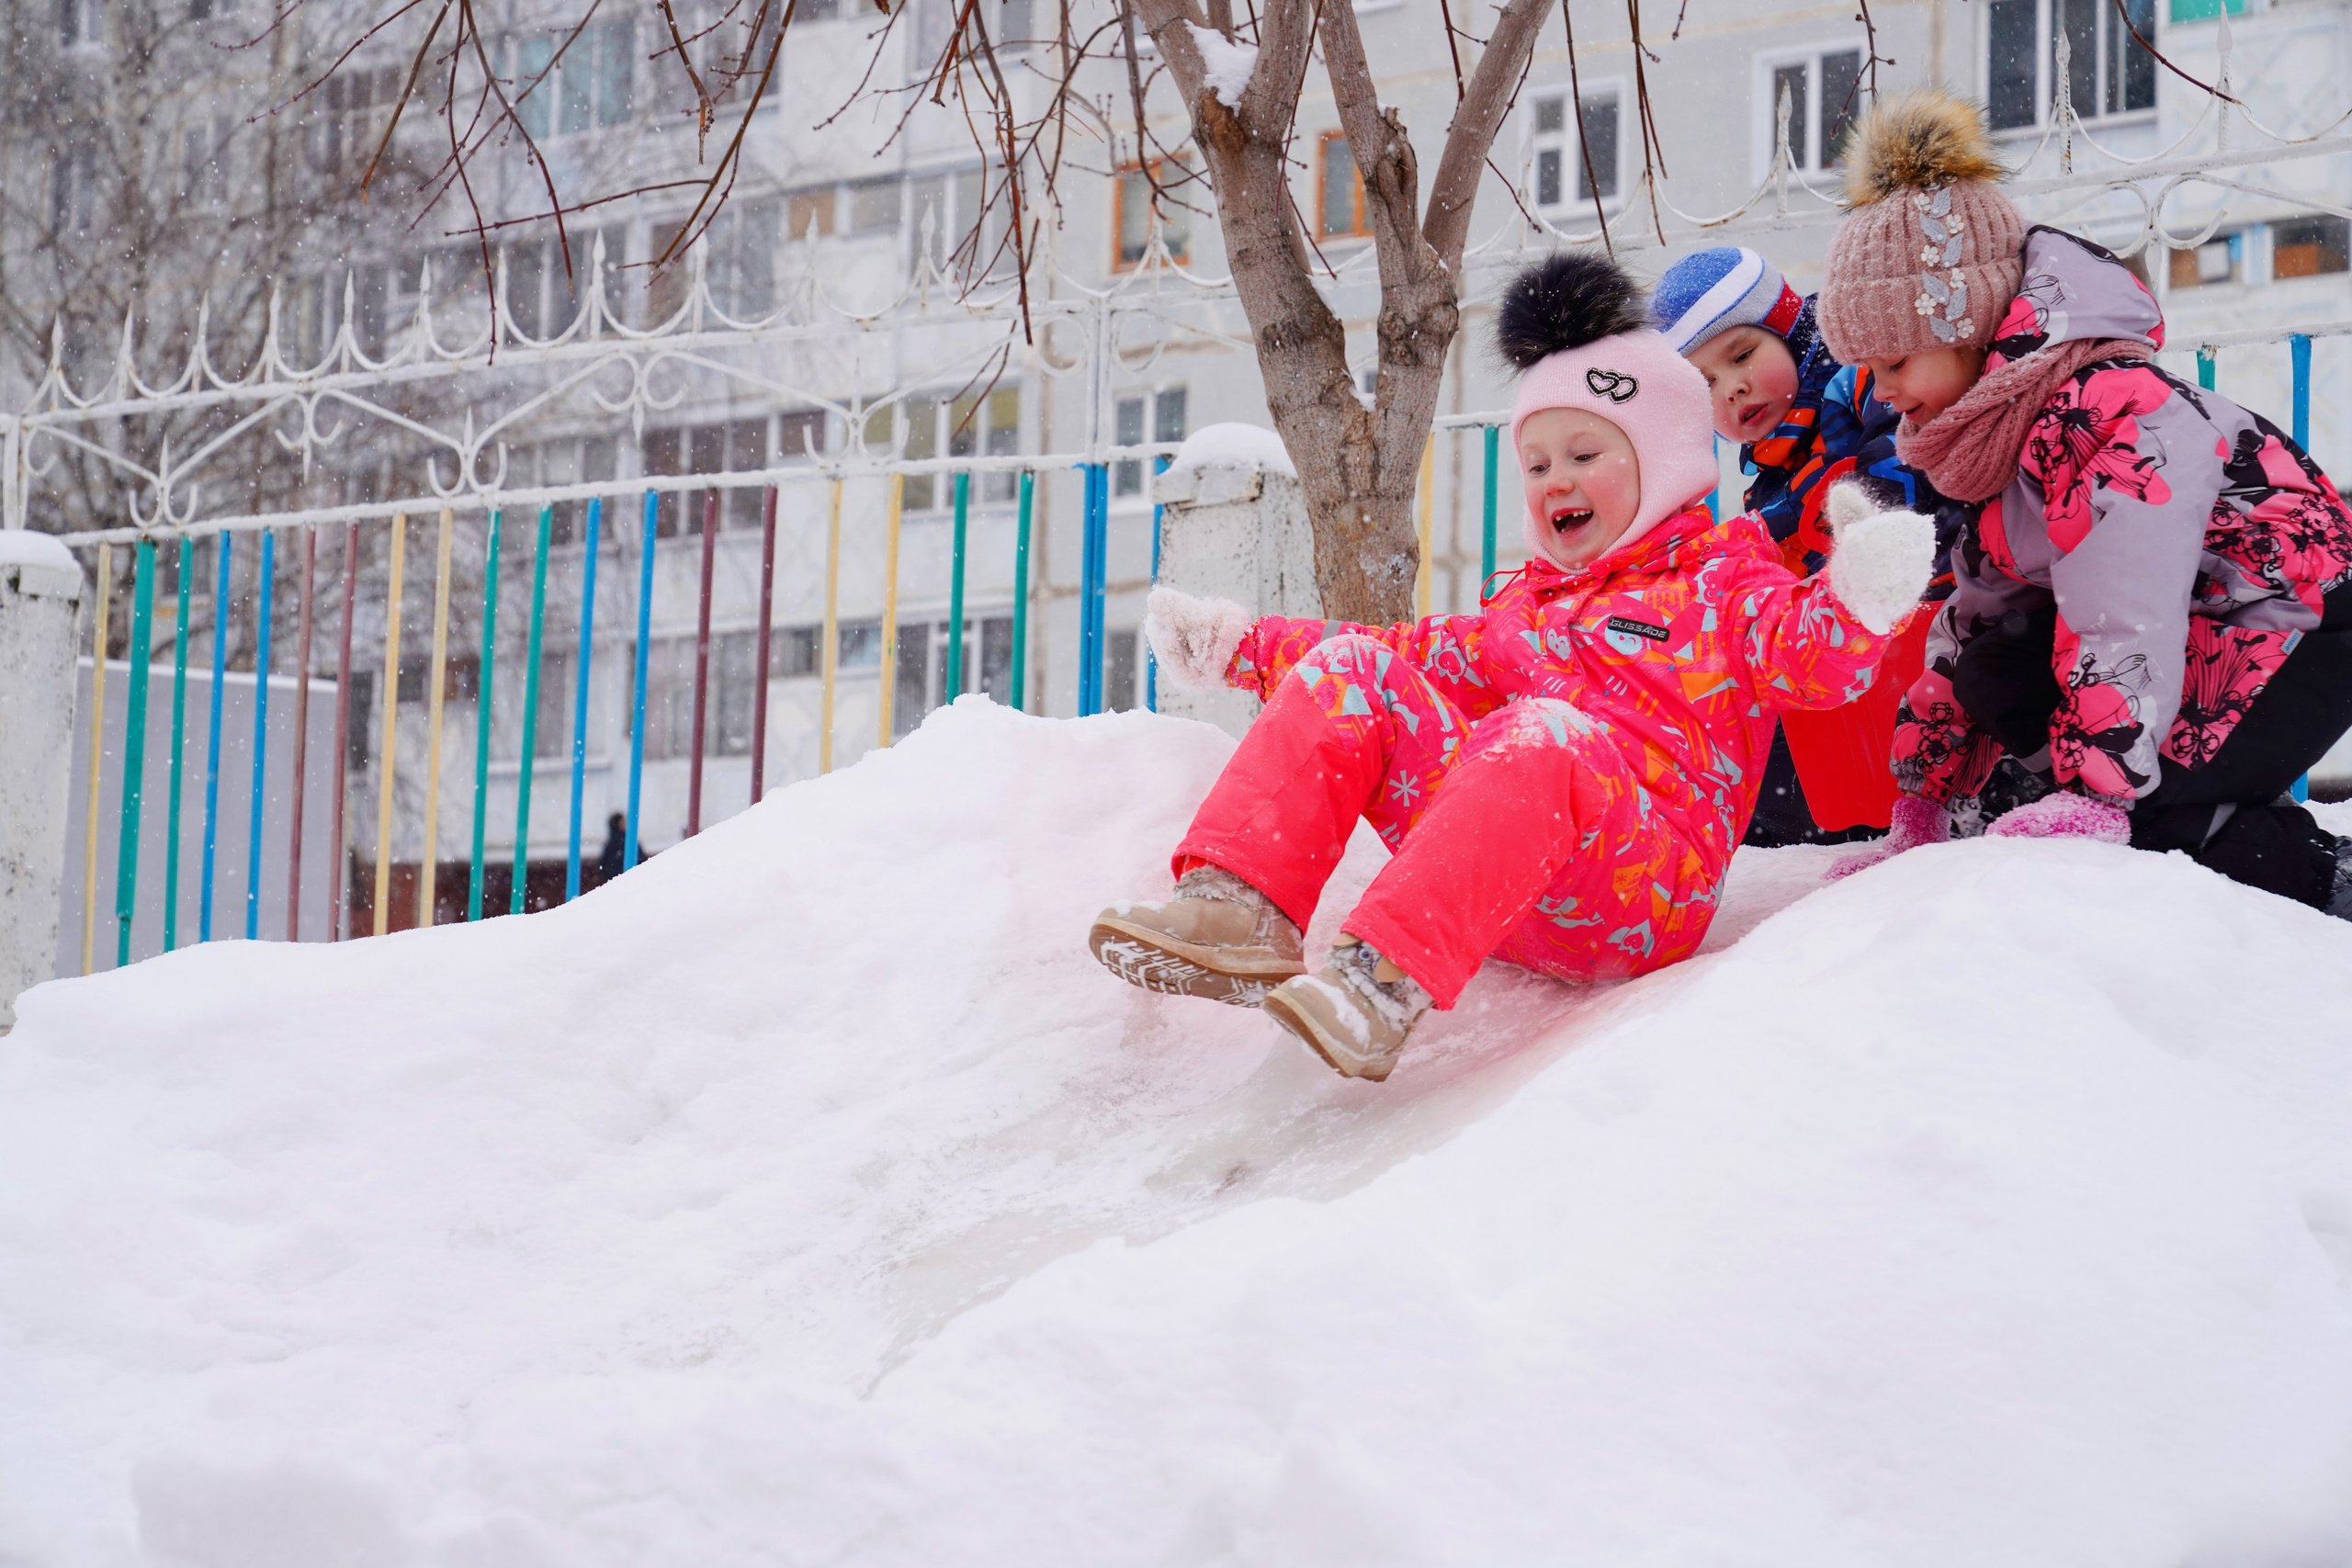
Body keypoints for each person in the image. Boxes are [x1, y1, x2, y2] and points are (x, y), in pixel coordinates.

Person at [1086, 254, 1937, 1081]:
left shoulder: (1724, 580)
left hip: (1643, 897)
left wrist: (1858, 592)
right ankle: (1240, 904)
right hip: (1512, 886)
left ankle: (1377, 984)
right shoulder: (1524, 609)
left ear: (1663, 460)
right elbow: (1404, 656)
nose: (1555, 480)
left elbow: (1808, 656)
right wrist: (1242, 645)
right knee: (1356, 666)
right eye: (1537, 463)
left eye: (1585, 454)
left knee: (1541, 732)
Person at [1814, 88, 2352, 915]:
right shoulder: (1997, 434)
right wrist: (1923, 801)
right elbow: (1977, 622)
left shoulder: (2105, 412)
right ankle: (2144, 802)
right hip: (2198, 624)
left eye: (1894, 363)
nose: (1881, 393)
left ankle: (2313, 875)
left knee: (2146, 812)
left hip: (2299, 615)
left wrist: (2102, 790)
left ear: (1967, 329)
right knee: (1996, 660)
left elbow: (2122, 613)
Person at [1651, 244, 1962, 846]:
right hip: (1866, 667)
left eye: (1743, 354)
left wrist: (1835, 527)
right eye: (1704, 384)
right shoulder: (1769, 479)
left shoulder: (1863, 383)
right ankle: (1763, 823)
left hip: (1942, 617)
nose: (1734, 388)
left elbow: (1900, 478)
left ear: (1790, 330)